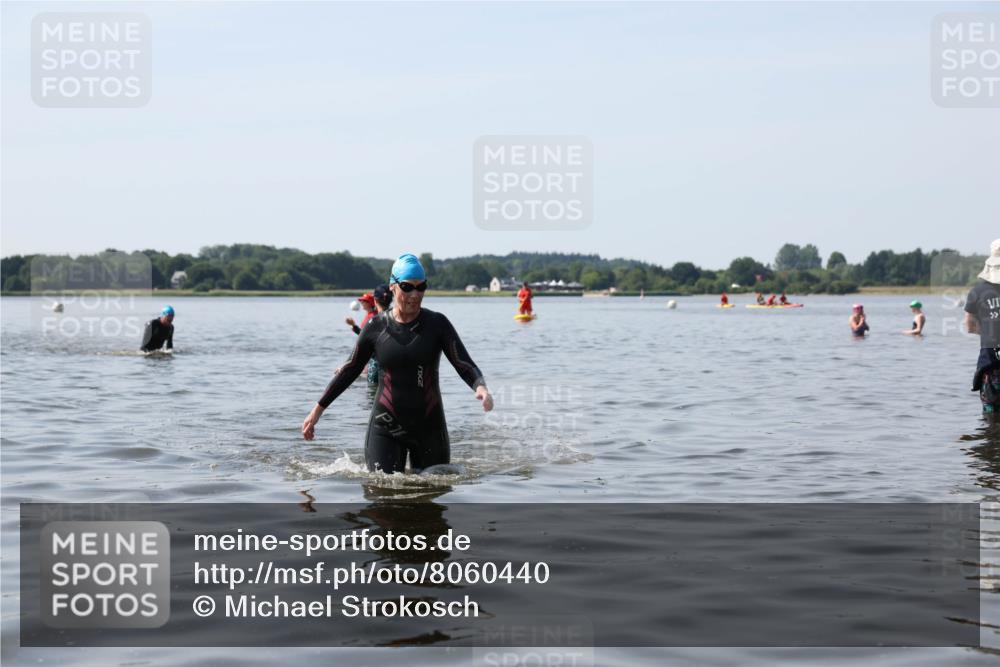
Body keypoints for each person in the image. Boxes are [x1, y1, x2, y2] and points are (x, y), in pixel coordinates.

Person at [302, 253, 494, 473]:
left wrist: (481, 387)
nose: (415, 294)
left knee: (434, 494)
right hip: (385, 426)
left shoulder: (437, 324)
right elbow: (350, 369)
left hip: (429, 427)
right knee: (382, 495)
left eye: (421, 287)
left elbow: (464, 362)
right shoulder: (376, 326)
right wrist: (317, 411)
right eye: (407, 287)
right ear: (393, 287)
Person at [965, 239, 1000, 413]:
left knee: (990, 416)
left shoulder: (977, 292)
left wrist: (988, 332)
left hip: (990, 362)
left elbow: (970, 326)